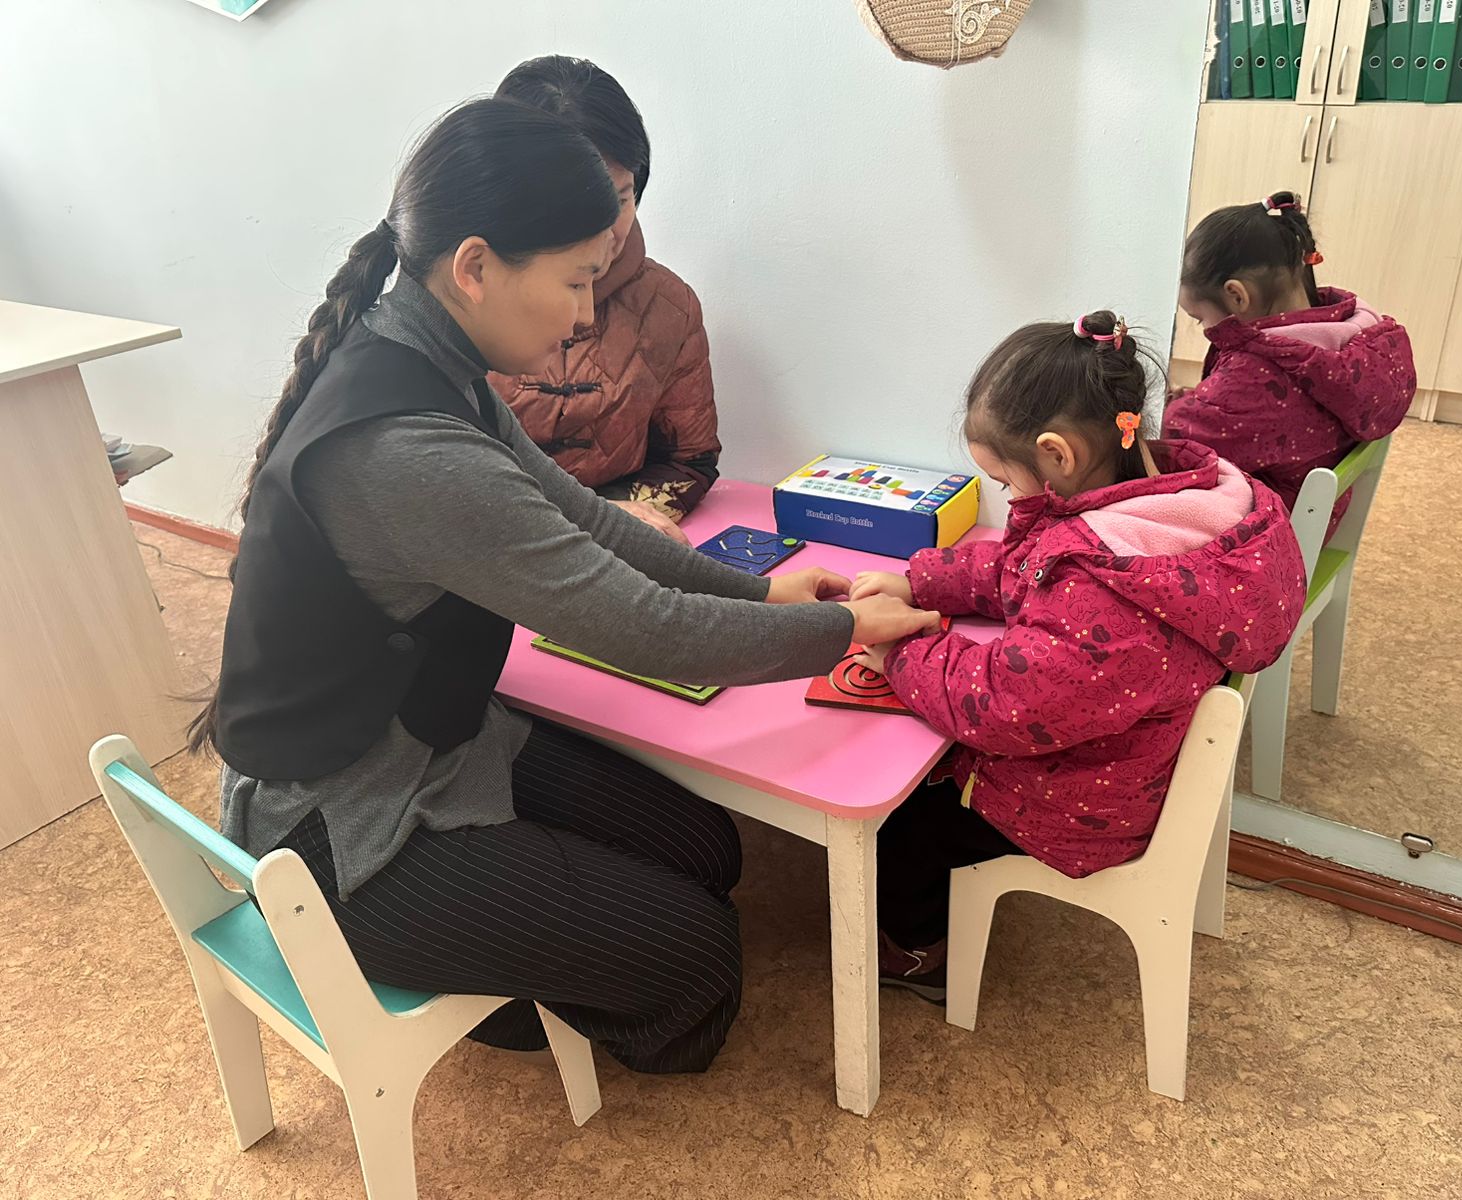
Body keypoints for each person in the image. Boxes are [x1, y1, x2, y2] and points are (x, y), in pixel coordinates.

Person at [193, 98, 937, 1072]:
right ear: (475, 267)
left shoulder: (436, 362)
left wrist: (761, 596)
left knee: (710, 852)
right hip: (345, 837)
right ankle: (492, 991)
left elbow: (586, 518)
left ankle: (536, 943)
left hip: (432, 742)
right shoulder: (413, 452)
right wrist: (844, 633)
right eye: (577, 280)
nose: (587, 313)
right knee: (700, 960)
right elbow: (647, 629)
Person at [850, 313, 1307, 1001]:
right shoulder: (1182, 504)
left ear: (1056, 455)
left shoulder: (1105, 586)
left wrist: (902, 650)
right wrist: (923, 581)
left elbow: (1003, 706)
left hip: (1085, 800)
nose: (1010, 499)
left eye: (1005, 483)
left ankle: (916, 956)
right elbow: (1030, 567)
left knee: (904, 823)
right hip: (1141, 761)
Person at [489, 56, 715, 545]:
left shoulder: (668, 306)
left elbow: (690, 461)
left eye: (620, 197)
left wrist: (613, 517)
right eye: (578, 200)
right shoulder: (463, 303)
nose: (605, 228)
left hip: (614, 554)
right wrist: (580, 520)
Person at [1163, 190, 1416, 531]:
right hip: (1316, 513)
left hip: (1275, 531)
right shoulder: (1354, 333)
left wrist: (1158, 411)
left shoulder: (1258, 375)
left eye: (1200, 319)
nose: (1206, 330)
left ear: (1237, 296)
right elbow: (1245, 416)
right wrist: (1201, 401)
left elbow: (1177, 440)